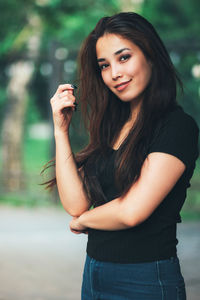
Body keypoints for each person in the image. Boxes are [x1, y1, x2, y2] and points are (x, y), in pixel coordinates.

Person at [47, 12, 199, 300]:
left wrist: (84, 221)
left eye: (124, 57)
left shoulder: (178, 127)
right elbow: (76, 203)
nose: (114, 72)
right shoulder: (112, 127)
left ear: (151, 55)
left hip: (145, 280)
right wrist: (60, 132)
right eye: (104, 65)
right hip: (94, 274)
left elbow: (132, 211)